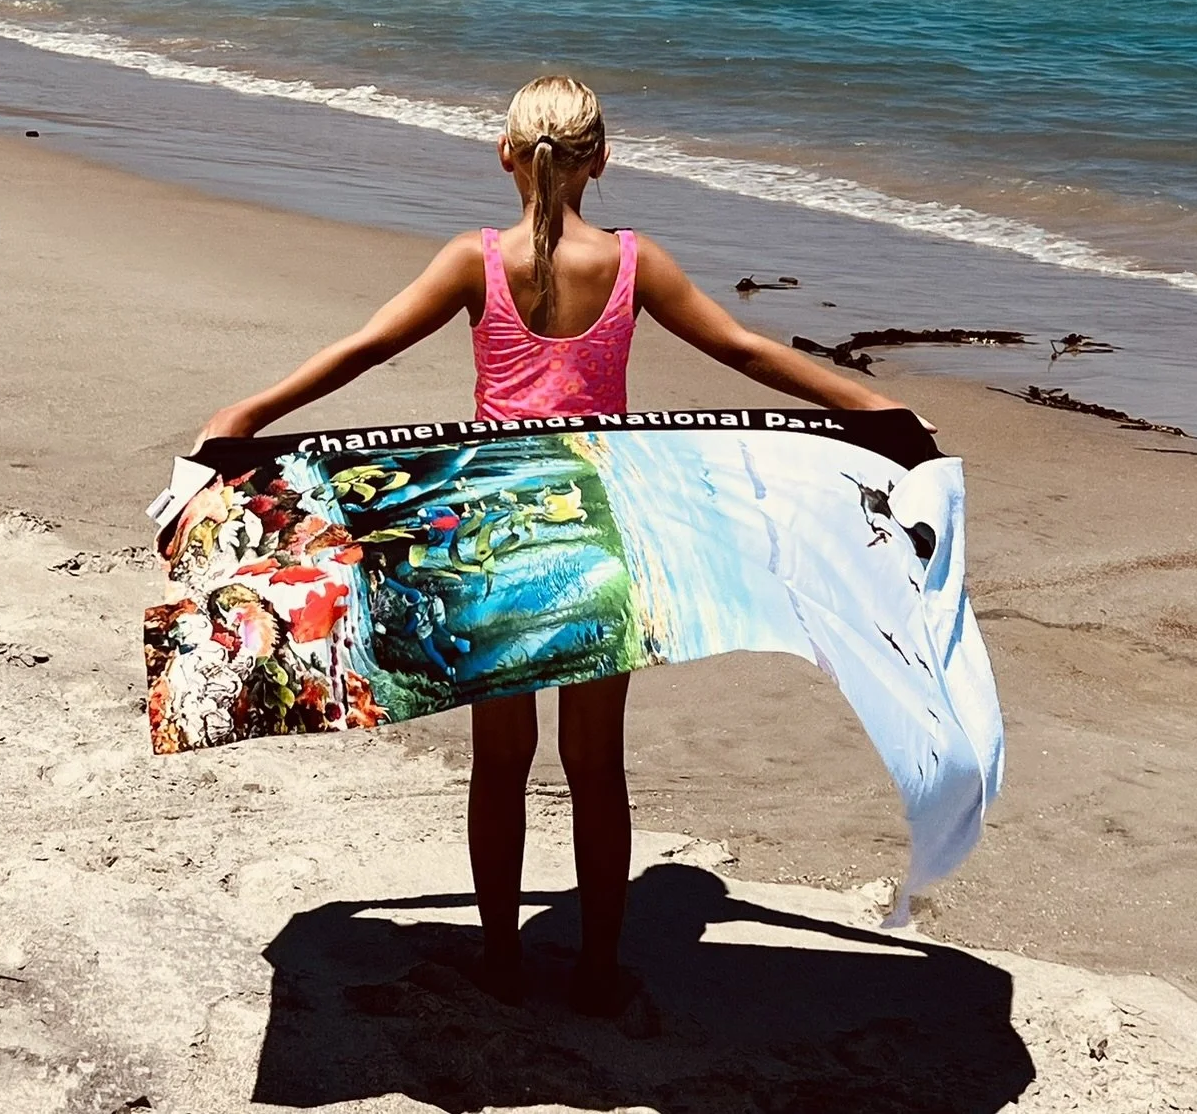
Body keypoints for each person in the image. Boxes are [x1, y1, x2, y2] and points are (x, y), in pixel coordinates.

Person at [197, 75, 904, 1017]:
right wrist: (868, 406)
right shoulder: (632, 263)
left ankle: (499, 959)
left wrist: (250, 413)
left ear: (504, 154)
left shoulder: (470, 261)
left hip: (491, 541)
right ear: (600, 161)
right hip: (601, 537)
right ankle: (600, 972)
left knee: (501, 763)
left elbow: (368, 348)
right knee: (596, 765)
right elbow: (740, 351)